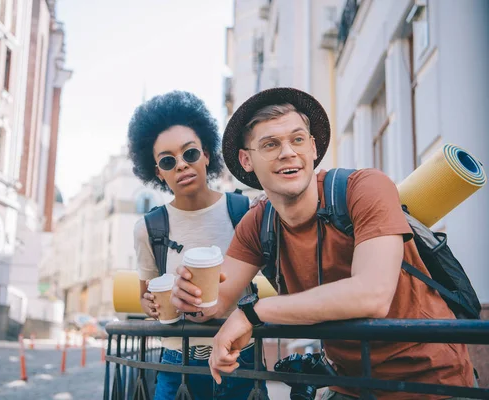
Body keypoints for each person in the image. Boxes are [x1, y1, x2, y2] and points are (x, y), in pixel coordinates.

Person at [170, 87, 477, 399]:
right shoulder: (259, 222)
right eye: (271, 144)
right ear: (246, 160)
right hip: (349, 385)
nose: (288, 152)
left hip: (431, 382)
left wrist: (253, 313)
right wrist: (190, 297)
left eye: (297, 139)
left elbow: (371, 295)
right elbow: (216, 302)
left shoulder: (365, 188)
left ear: (313, 148)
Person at [128, 90, 267, 400]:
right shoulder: (149, 228)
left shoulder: (243, 211)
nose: (181, 165)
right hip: (178, 361)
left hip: (240, 356)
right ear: (158, 173)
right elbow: (146, 298)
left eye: (189, 153)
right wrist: (151, 305)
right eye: (167, 160)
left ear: (206, 154)